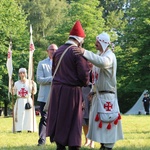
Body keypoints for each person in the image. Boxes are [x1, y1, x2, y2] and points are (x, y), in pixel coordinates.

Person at [73, 32, 123, 150]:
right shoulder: (100, 54)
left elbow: (103, 62)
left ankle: (107, 146)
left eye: (97, 42)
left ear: (102, 43)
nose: (95, 44)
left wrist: (85, 52)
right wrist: (92, 90)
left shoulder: (109, 55)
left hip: (107, 97)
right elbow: (97, 77)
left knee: (107, 121)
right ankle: (103, 145)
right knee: (100, 125)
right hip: (99, 95)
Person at [46, 20, 90, 150]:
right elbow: (84, 76)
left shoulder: (58, 51)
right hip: (71, 92)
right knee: (73, 121)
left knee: (60, 120)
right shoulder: (77, 52)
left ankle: (60, 145)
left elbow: (53, 71)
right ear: (80, 39)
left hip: (56, 91)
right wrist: (84, 83)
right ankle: (73, 145)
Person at [36, 44, 58, 146]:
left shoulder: (61, 62)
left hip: (57, 95)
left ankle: (54, 139)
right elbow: (39, 79)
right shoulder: (42, 64)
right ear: (47, 51)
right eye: (51, 49)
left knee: (56, 118)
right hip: (45, 96)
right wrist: (52, 79)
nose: (53, 51)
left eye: (55, 50)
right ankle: (42, 140)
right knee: (44, 118)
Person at [12, 68, 37, 133]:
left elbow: (33, 92)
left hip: (27, 100)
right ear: (19, 74)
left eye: (23, 73)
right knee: (19, 114)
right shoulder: (16, 83)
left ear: (25, 74)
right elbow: (13, 92)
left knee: (29, 115)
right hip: (20, 100)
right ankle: (18, 128)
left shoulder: (30, 82)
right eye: (20, 73)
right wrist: (11, 88)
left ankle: (30, 128)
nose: (22, 74)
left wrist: (33, 87)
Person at [82, 61, 94, 148]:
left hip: (92, 96)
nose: (89, 64)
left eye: (91, 62)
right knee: (84, 121)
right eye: (88, 62)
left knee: (92, 120)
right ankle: (87, 140)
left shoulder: (95, 73)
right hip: (83, 95)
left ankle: (92, 142)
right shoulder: (82, 72)